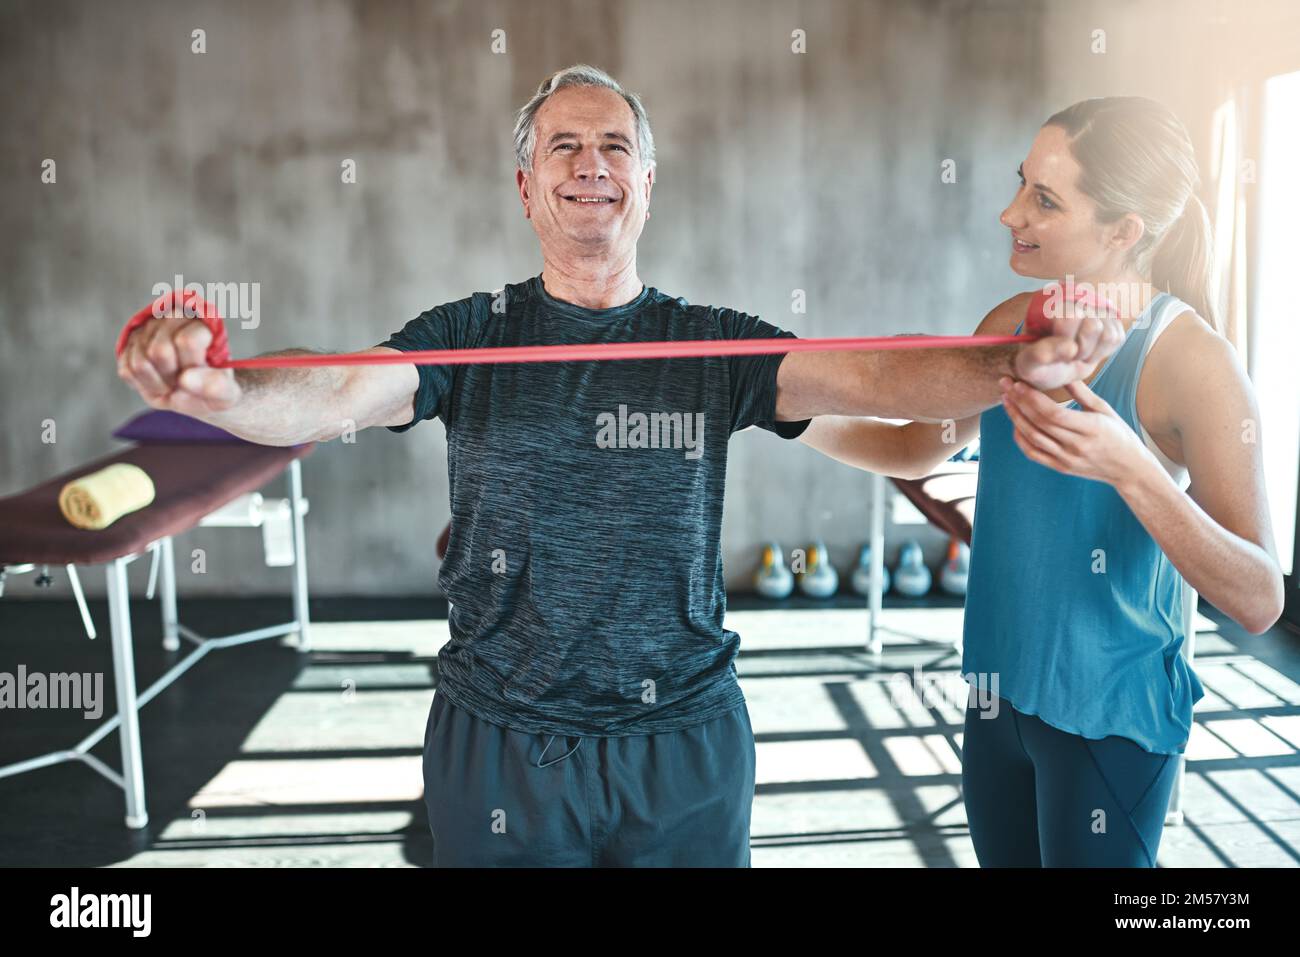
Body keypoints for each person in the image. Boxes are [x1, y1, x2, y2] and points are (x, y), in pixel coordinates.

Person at [116, 66, 1122, 867]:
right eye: (564, 144)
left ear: (646, 183)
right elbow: (339, 387)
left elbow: (876, 372)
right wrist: (223, 389)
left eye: (615, 146)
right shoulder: (470, 335)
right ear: (526, 187)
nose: (590, 162)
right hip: (501, 744)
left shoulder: (709, 343)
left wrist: (1011, 362)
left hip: (682, 747)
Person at [799, 96, 1284, 866]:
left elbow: (1259, 598)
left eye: (1045, 199)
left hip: (1109, 718)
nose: (1010, 212)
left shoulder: (1194, 362)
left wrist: (1131, 467)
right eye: (1021, 182)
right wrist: (779, 412)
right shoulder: (1013, 322)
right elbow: (920, 447)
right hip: (997, 699)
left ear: (1123, 231)